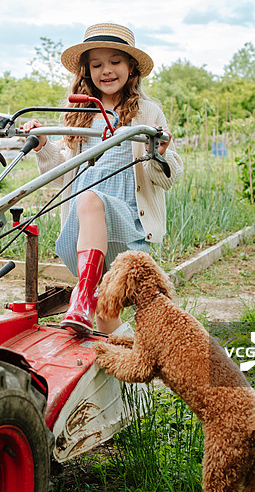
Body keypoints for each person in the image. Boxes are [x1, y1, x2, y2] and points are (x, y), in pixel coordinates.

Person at [22, 22, 184, 335]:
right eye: (96, 64)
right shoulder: (79, 112)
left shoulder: (148, 113)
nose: (105, 71)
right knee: (104, 313)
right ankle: (125, 376)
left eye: (114, 62)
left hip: (126, 224)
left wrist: (159, 153)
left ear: (131, 67)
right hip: (83, 232)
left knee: (91, 199)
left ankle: (81, 296)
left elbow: (164, 179)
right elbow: (64, 176)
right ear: (86, 71)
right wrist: (43, 147)